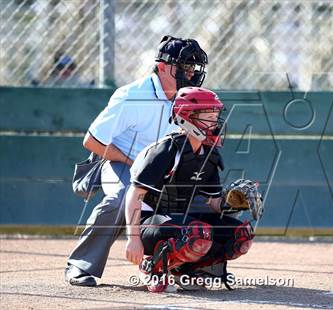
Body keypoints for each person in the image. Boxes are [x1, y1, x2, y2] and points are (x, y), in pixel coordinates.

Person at [65, 35, 208, 286]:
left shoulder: (188, 96)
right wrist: (133, 162)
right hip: (120, 160)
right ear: (162, 67)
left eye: (192, 67)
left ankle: (192, 267)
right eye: (183, 66)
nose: (190, 72)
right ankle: (81, 265)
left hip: (162, 166)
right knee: (122, 199)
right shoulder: (132, 95)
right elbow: (92, 141)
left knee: (200, 199)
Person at [125, 87, 257, 292]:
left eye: (216, 116)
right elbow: (134, 196)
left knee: (241, 235)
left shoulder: (209, 155)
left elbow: (213, 203)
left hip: (180, 219)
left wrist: (231, 202)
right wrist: (133, 239)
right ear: (187, 118)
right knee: (197, 232)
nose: (215, 123)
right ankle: (153, 267)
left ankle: (187, 271)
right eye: (209, 117)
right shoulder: (165, 151)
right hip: (149, 223)